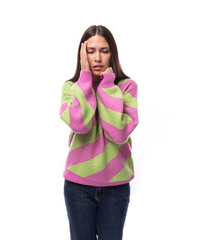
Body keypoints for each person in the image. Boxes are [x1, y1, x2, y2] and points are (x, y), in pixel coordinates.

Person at [59, 25, 139, 240]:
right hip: (78, 187)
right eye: (91, 51)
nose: (97, 58)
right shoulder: (71, 87)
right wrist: (85, 79)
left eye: (104, 50)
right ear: (82, 55)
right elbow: (80, 124)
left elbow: (118, 133)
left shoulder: (126, 87)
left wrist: (108, 86)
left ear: (113, 53)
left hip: (116, 187)